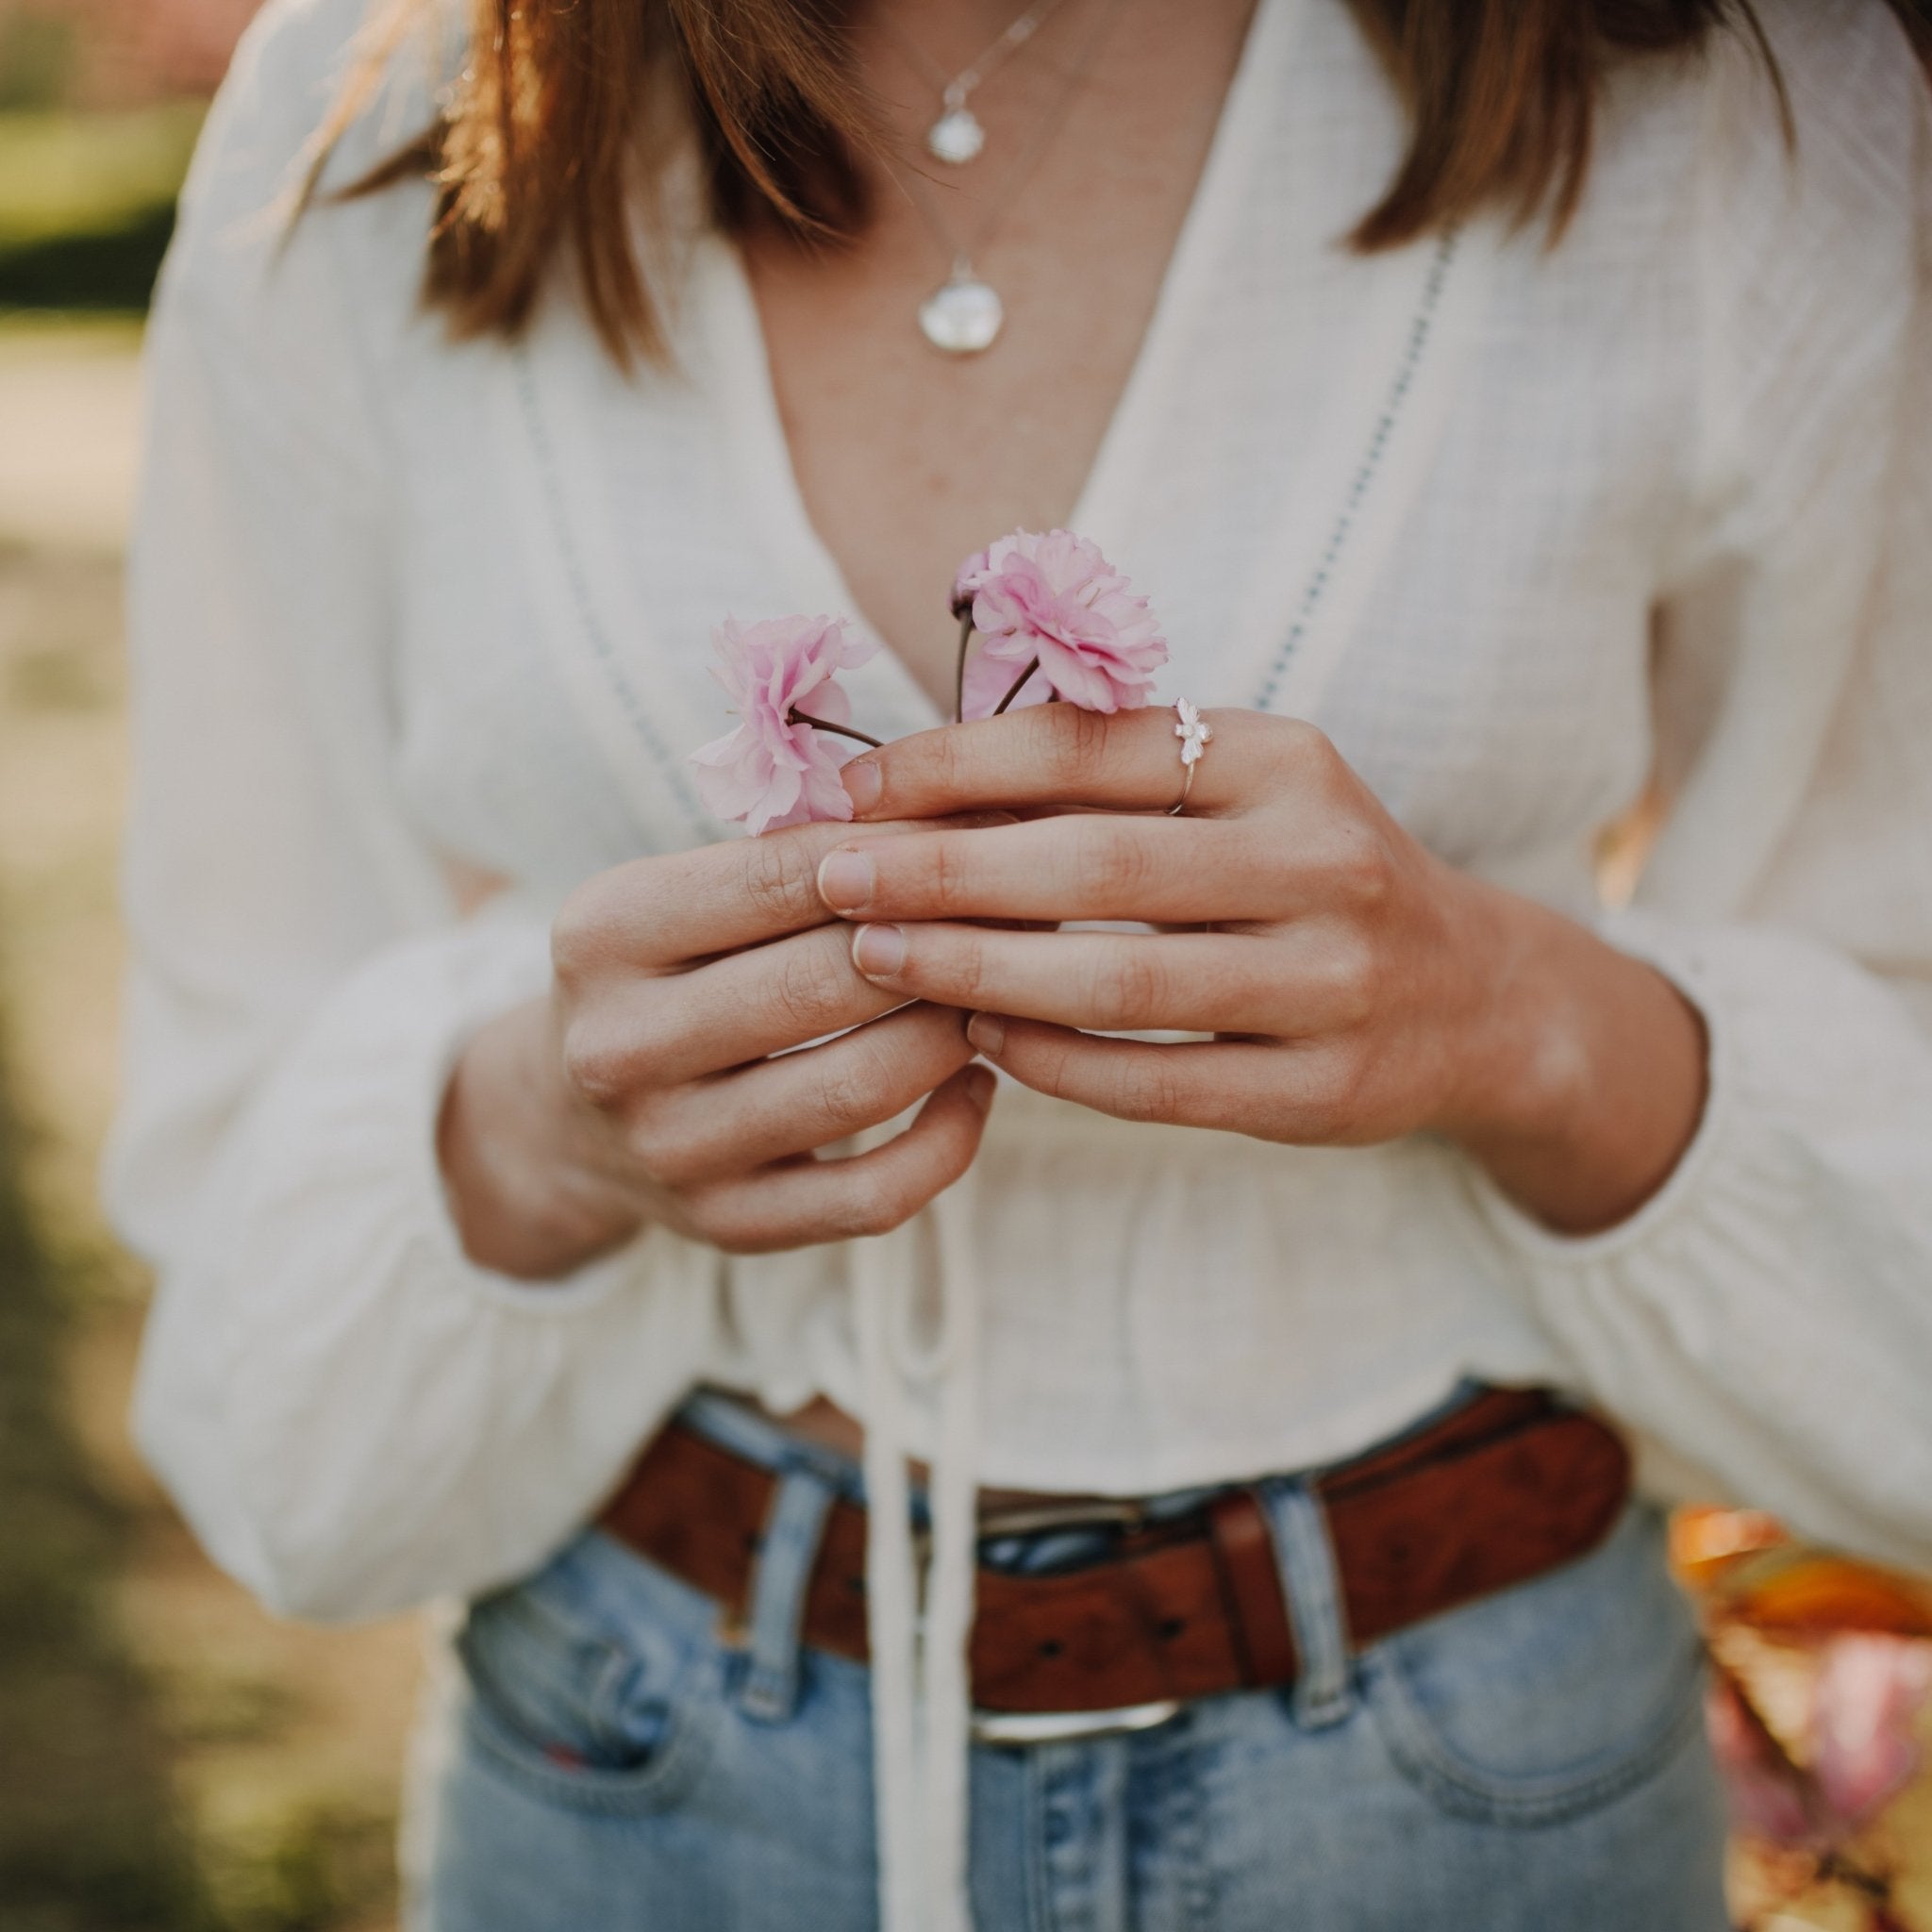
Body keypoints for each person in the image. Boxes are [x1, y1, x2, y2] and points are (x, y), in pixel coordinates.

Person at [111, 0, 1932, 1926]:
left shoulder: (1720, 86)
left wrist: (1518, 1019)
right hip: (638, 1768)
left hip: (1461, 1773)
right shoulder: (386, 94)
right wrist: (540, 1135)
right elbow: (239, 1204)